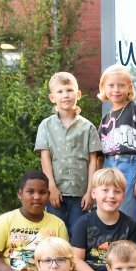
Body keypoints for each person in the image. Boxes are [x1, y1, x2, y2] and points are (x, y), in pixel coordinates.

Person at [35, 71, 102, 235]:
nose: (65, 95)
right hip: (56, 193)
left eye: (69, 90)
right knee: (56, 236)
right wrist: (51, 186)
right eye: (60, 91)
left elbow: (93, 160)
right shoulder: (46, 126)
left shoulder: (88, 127)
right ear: (52, 97)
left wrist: (90, 191)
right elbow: (45, 157)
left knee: (78, 236)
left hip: (81, 195)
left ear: (78, 94)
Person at [97, 65, 136, 220]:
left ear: (129, 88)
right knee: (106, 214)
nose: (116, 89)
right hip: (108, 165)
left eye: (121, 85)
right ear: (103, 88)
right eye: (111, 85)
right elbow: (99, 156)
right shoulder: (105, 119)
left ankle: (127, 244)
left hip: (130, 165)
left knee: (127, 214)